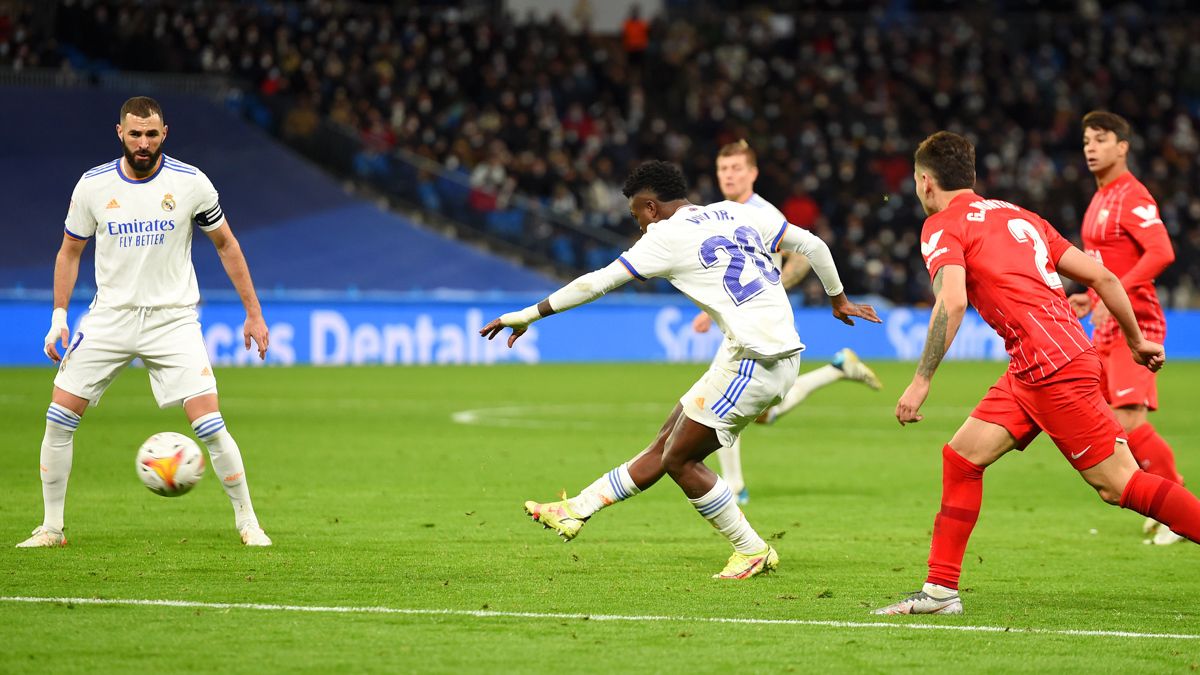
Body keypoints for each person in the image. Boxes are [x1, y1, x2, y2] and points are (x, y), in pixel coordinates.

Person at [481, 161, 880, 578]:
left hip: (758, 359)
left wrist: (529, 314)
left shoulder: (665, 236)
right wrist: (838, 300)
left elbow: (594, 283)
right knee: (666, 442)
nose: (637, 224)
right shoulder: (738, 211)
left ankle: (751, 549)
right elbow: (814, 245)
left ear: (651, 207)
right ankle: (575, 510)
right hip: (754, 350)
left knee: (679, 460)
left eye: (636, 214)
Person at [873, 131, 1200, 615]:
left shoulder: (942, 225)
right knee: (962, 457)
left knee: (1120, 485)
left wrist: (921, 380)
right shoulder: (1017, 213)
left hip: (1053, 369)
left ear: (924, 182)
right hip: (1037, 363)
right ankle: (940, 592)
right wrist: (1135, 339)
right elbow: (1102, 277)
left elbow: (953, 300)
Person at [19, 96, 271, 548]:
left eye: (151, 134)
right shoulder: (92, 186)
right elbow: (69, 252)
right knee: (58, 418)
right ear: (120, 133)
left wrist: (253, 312)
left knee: (210, 425)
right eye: (134, 133)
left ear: (164, 134)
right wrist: (59, 318)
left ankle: (248, 522)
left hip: (172, 320)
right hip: (109, 318)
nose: (143, 142)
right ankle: (52, 528)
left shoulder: (191, 183)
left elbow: (227, 244)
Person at [694, 140, 882, 504]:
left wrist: (772, 285)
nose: (729, 175)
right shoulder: (717, 213)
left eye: (736, 168)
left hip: (762, 324)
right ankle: (838, 369)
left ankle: (734, 486)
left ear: (753, 173)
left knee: (717, 402)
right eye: (723, 169)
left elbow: (803, 257)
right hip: (742, 323)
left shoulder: (764, 214)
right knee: (764, 414)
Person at [1067, 111, 1183, 545]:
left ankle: (1178, 506)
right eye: (1085, 141)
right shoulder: (1098, 198)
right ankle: (1160, 501)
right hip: (1106, 323)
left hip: (1140, 323)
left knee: (1127, 421)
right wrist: (1092, 297)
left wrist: (1113, 289)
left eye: (1100, 139)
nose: (1091, 148)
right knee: (1102, 422)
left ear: (1123, 147)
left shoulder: (1132, 196)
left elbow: (1161, 252)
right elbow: (1103, 265)